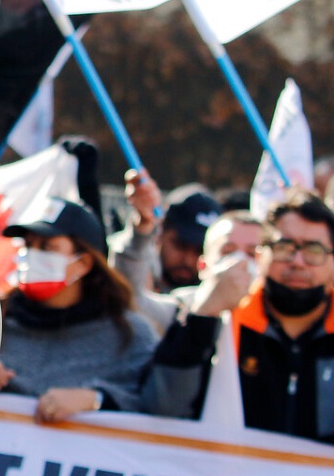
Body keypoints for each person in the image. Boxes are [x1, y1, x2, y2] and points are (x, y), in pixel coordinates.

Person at [143, 189, 334, 444]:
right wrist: (201, 317)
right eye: (284, 246)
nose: (298, 261)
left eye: (314, 250)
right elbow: (162, 408)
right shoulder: (222, 319)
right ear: (260, 254)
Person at [0, 198, 160, 423]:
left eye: (47, 247)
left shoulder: (130, 334)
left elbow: (158, 406)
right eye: (28, 246)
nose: (31, 256)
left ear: (84, 263)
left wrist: (97, 400)